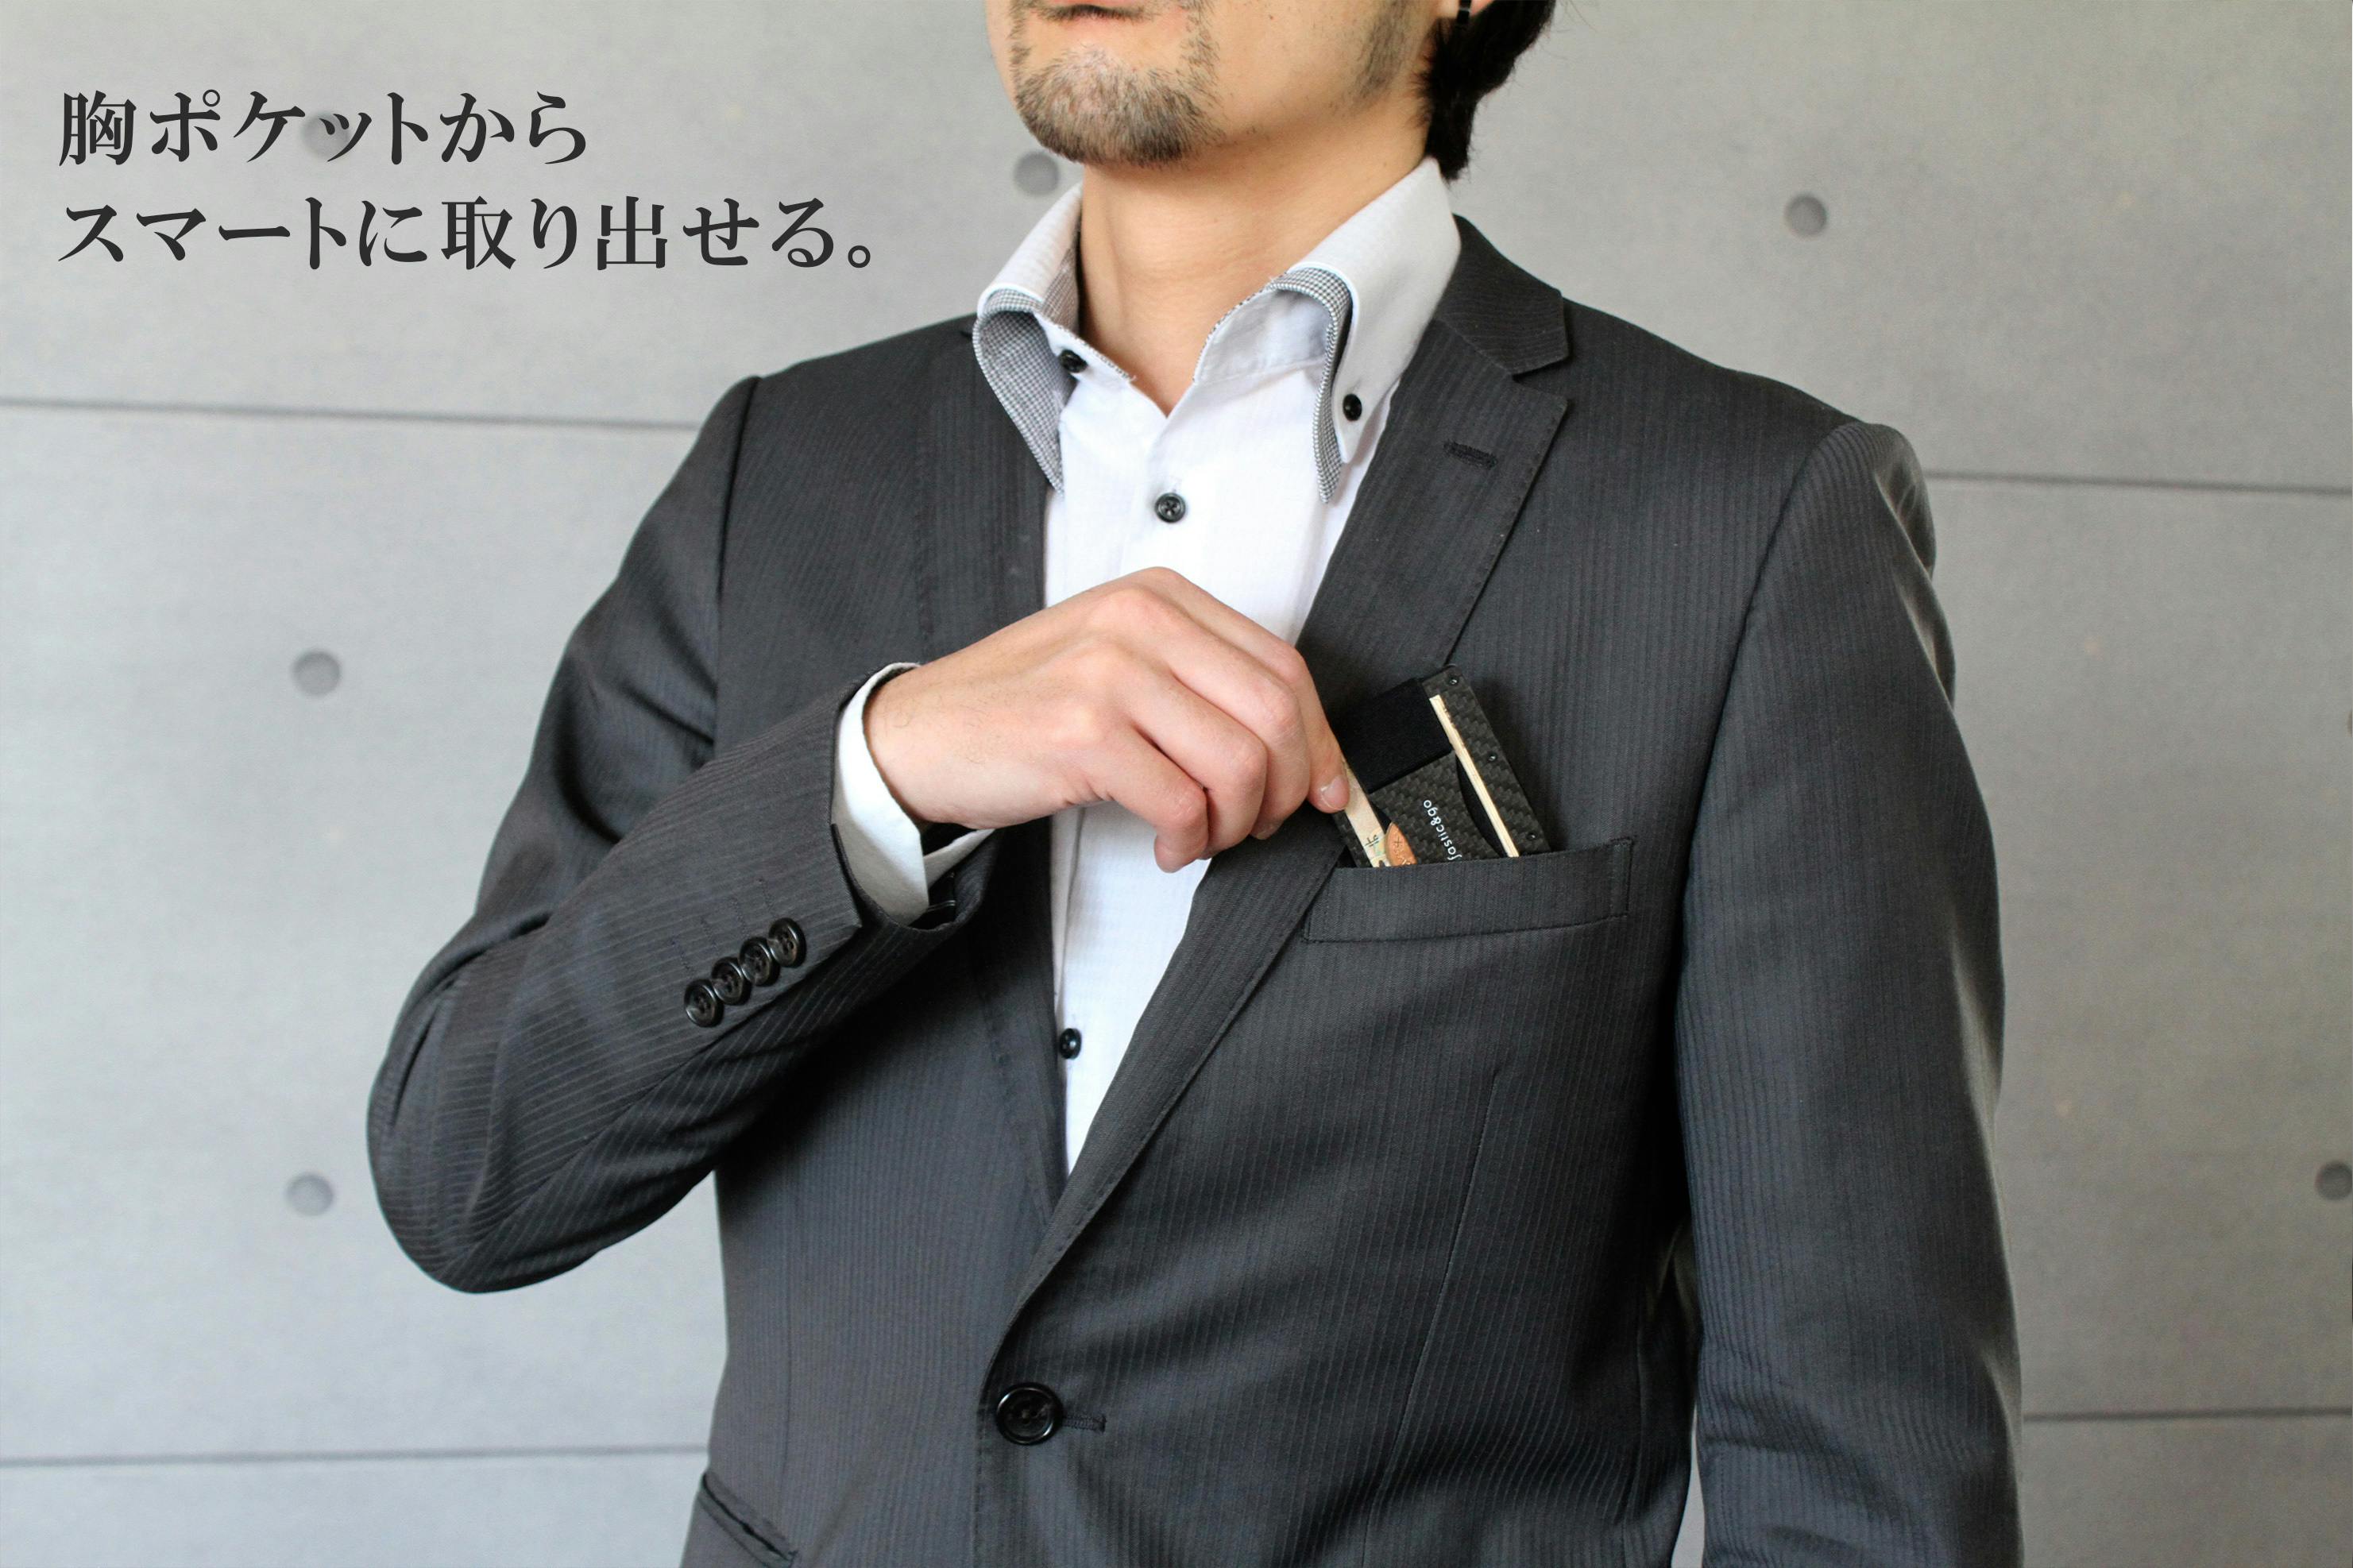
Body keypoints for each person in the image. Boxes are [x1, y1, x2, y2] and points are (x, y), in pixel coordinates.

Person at [366, 2, 2023, 1562]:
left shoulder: (1743, 519)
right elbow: (470, 1175)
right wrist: (882, 773)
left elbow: (1859, 1441)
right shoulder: (778, 471)